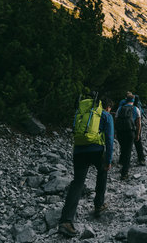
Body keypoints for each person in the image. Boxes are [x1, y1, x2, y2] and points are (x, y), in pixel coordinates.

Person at [58, 97, 114, 238]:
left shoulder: (81, 113)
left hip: (79, 151)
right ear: (106, 106)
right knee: (102, 172)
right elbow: (109, 139)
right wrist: (108, 160)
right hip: (96, 150)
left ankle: (66, 221)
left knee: (77, 183)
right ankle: (98, 205)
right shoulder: (105, 115)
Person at [115, 94, 141, 180]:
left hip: (120, 132)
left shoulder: (120, 108)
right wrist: (137, 134)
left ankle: (122, 163)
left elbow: (116, 120)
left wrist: (116, 132)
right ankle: (124, 173)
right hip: (130, 132)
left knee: (123, 148)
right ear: (133, 100)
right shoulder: (136, 109)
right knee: (128, 151)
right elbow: (138, 123)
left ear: (126, 100)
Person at [117, 92, 146, 166]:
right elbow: (139, 120)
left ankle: (121, 160)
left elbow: (116, 118)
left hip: (122, 128)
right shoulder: (136, 106)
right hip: (134, 127)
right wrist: (138, 134)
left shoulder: (121, 105)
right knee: (138, 143)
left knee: (123, 146)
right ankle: (141, 159)